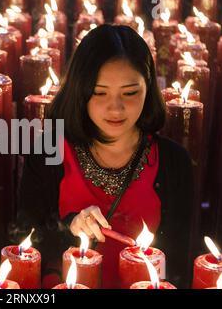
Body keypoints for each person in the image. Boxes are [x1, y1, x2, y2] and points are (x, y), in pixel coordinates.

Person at [15, 24, 194, 289]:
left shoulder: (173, 162)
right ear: (80, 91)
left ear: (149, 88)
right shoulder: (48, 153)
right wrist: (69, 226)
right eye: (99, 92)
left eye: (130, 92)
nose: (116, 107)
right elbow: (24, 239)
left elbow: (178, 263)